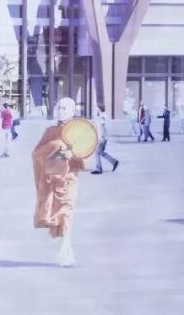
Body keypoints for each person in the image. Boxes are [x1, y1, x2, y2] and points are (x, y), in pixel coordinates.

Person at [31, 97, 86, 267]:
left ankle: (65, 249)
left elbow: (84, 155)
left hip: (69, 178)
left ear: (73, 112)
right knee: (57, 213)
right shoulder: (50, 131)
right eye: (59, 107)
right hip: (52, 179)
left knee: (67, 210)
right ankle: (67, 250)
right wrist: (55, 147)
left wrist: (72, 155)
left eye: (64, 108)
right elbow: (36, 153)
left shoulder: (78, 131)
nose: (60, 111)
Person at [89, 107, 119, 174]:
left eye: (96, 109)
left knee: (97, 153)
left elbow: (103, 128)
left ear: (99, 110)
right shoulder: (99, 118)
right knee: (100, 152)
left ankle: (99, 169)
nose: (95, 111)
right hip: (102, 138)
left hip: (101, 138)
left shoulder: (100, 118)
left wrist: (103, 138)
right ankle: (114, 162)